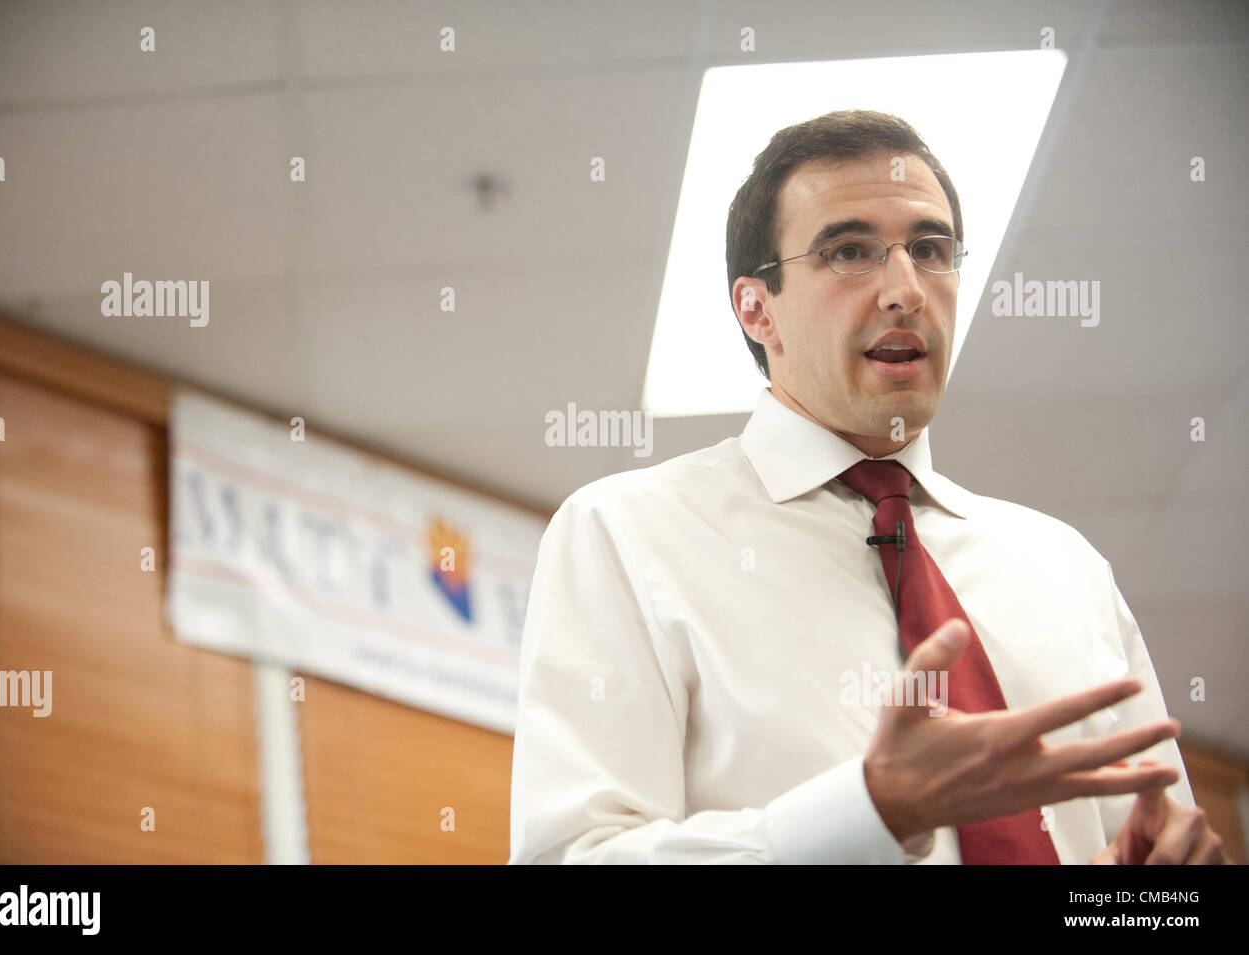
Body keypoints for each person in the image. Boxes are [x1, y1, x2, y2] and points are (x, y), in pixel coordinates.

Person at [507, 110, 1229, 864]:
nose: (905, 289)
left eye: (930, 249)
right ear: (757, 308)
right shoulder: (625, 533)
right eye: (849, 250)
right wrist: (870, 815)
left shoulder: (1064, 566)